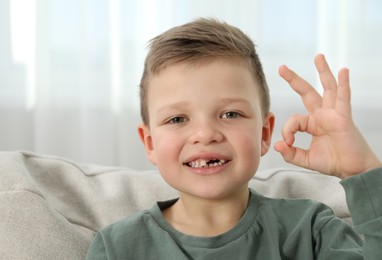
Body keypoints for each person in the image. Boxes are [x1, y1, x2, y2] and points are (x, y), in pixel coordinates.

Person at [86, 18, 382, 259]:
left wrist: (362, 171)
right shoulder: (118, 247)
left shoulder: (310, 231)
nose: (205, 134)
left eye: (229, 114)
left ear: (264, 133)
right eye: (177, 119)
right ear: (150, 143)